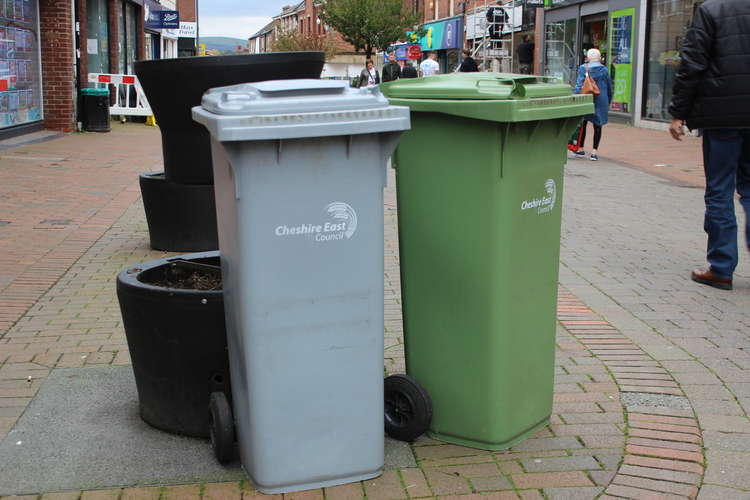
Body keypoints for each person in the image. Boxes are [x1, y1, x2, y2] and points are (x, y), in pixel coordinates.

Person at [668, 0, 750, 291]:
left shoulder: (711, 10)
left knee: (720, 190)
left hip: (722, 115)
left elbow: (692, 62)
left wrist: (679, 111)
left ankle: (721, 267)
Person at [572, 48, 612, 161]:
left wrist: (575, 96)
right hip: (600, 99)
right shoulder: (604, 70)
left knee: (583, 123)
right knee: (597, 125)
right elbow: (609, 86)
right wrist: (609, 100)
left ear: (588, 58)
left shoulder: (583, 68)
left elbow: (579, 85)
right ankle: (594, 152)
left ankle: (580, 148)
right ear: (599, 58)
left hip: (587, 98)